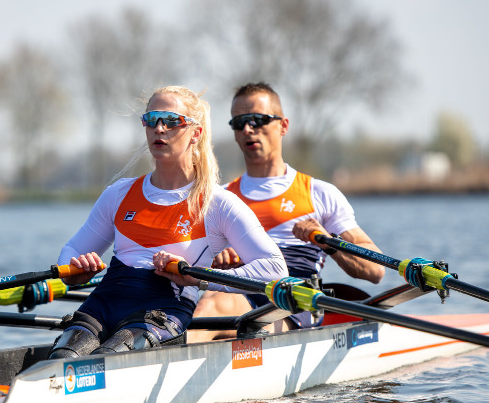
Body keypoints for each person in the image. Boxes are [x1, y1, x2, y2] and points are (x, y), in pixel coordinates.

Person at [48, 85, 288, 359]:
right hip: (103, 303)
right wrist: (75, 271)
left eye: (171, 121)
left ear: (196, 133)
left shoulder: (217, 203)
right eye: (151, 120)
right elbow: (71, 251)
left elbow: (274, 270)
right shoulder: (118, 194)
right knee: (60, 361)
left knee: (105, 360)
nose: (159, 128)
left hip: (162, 311)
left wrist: (199, 279)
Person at [190, 82, 384, 340]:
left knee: (213, 304)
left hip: (290, 306)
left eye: (258, 119)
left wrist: (328, 241)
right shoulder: (218, 199)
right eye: (239, 123)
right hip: (234, 298)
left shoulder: (319, 194)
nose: (248, 129)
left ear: (283, 126)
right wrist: (215, 257)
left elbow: (376, 270)